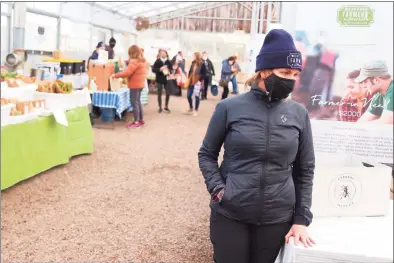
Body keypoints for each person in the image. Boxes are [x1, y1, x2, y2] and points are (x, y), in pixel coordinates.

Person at [198, 29, 315, 263]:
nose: (290, 79)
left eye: (294, 74)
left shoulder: (299, 114)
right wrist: (219, 189)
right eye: (284, 72)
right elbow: (207, 154)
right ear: (263, 70)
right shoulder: (229, 108)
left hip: (277, 217)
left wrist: (301, 218)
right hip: (230, 213)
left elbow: (305, 169)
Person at [112, 45, 147, 129]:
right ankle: (140, 120)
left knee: (134, 103)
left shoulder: (134, 61)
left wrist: (115, 75)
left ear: (131, 53)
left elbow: (127, 73)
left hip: (134, 85)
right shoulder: (142, 61)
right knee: (138, 102)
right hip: (140, 84)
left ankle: (136, 121)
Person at [152, 49, 172, 113]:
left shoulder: (169, 61)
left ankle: (166, 106)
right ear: (160, 54)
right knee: (159, 93)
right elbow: (153, 69)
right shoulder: (157, 61)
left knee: (168, 93)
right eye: (162, 53)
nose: (163, 54)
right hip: (159, 79)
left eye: (164, 53)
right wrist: (160, 69)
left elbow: (171, 70)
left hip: (167, 79)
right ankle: (160, 107)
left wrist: (169, 71)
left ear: (166, 54)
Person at [186, 52, 206, 117]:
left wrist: (199, 80)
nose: (193, 57)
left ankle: (196, 110)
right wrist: (188, 77)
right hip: (191, 81)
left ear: (197, 56)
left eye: (194, 56)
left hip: (197, 82)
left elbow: (204, 73)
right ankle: (191, 107)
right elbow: (190, 71)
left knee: (197, 96)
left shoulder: (202, 64)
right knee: (189, 95)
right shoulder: (193, 63)